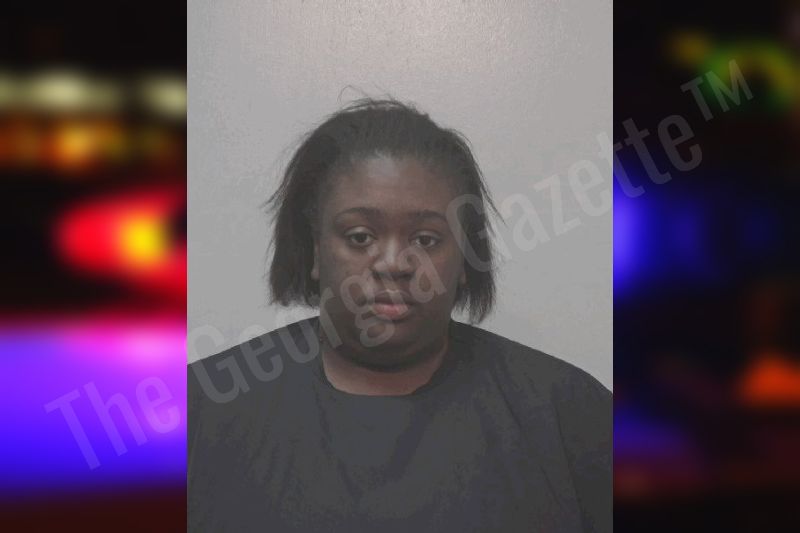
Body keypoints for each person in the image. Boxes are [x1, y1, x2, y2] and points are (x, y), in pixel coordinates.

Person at [187, 99, 611, 532]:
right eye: (360, 236)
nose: (393, 263)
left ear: (465, 259)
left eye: (426, 239)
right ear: (315, 250)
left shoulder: (572, 414)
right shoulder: (197, 411)